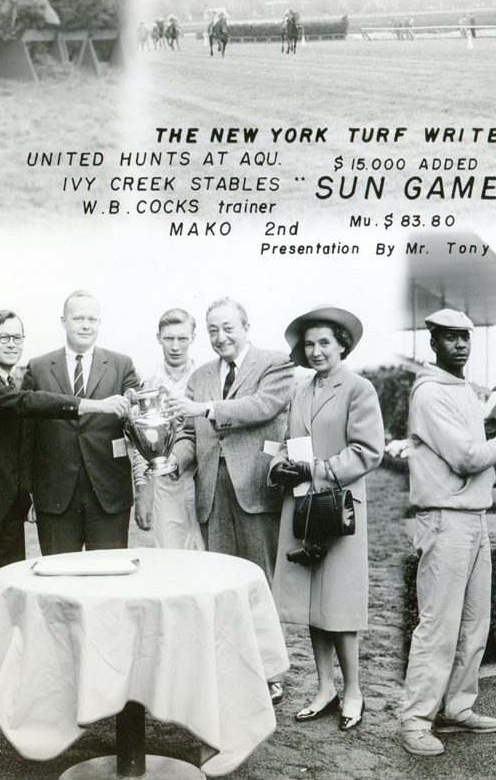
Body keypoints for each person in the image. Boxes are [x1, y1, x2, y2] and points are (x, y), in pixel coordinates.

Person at [0, 309, 128, 706]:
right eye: (3, 337)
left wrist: (26, 494)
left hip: (8, 510)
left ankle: (5, 677)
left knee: (10, 597)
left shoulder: (6, 379)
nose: (11, 344)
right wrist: (91, 406)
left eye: (17, 338)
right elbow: (27, 402)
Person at [398, 309, 496, 757]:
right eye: (450, 338)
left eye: (465, 338)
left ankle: (456, 707)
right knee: (438, 625)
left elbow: (485, 457)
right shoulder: (430, 393)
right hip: (444, 519)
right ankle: (416, 720)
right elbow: (468, 458)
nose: (460, 345)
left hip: (473, 518)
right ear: (433, 343)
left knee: (475, 624)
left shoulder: (462, 391)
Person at [161, 297, 293, 701]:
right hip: (211, 495)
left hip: (255, 489)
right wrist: (175, 462)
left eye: (228, 328)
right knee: (220, 583)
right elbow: (187, 431)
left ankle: (271, 673)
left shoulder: (275, 363)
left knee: (260, 581)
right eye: (214, 330)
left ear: (246, 325)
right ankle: (231, 667)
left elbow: (262, 406)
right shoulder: (200, 375)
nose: (221, 337)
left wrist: (205, 408)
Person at [270, 306, 385, 732]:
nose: (316, 351)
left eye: (325, 343)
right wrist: (278, 464)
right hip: (301, 505)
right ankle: (324, 688)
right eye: (310, 344)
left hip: (340, 509)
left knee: (339, 602)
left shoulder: (359, 388)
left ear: (342, 345)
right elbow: (287, 443)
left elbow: (367, 451)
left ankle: (353, 690)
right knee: (313, 600)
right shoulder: (300, 392)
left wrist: (318, 469)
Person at [22, 291, 140, 554]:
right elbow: (26, 436)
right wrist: (26, 491)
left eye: (92, 319)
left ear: (100, 323)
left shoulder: (122, 365)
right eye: (78, 318)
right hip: (55, 496)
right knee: (59, 580)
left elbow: (138, 415)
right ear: (63, 321)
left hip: (108, 494)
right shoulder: (37, 368)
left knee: (109, 578)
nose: (86, 325)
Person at [130, 308, 202, 550]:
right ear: (158, 337)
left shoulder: (206, 378)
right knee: (170, 557)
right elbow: (140, 446)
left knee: (208, 558)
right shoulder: (148, 384)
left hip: (203, 482)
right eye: (169, 338)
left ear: (193, 337)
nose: (175, 346)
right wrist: (142, 490)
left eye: (182, 338)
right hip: (165, 486)